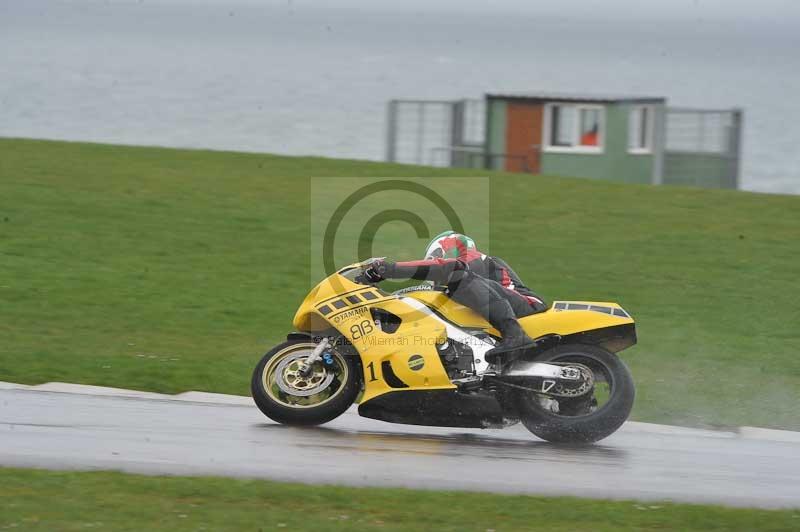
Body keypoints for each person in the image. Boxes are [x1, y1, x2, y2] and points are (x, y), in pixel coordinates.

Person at [363, 231, 548, 364]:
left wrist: (389, 270)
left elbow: (450, 269)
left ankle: (515, 335)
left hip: (528, 308)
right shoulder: (472, 284)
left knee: (457, 275)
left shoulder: (476, 259)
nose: (431, 268)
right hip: (511, 310)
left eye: (433, 261)